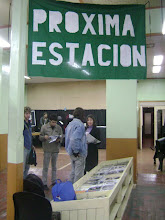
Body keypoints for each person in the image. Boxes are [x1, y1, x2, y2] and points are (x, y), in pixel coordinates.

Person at [39, 114, 63, 190]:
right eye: (53, 122)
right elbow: (40, 137)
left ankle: (53, 181)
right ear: (49, 121)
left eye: (55, 122)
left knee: (54, 167)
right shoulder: (44, 127)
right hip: (47, 150)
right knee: (45, 167)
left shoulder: (58, 128)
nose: (54, 124)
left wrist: (59, 140)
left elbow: (61, 137)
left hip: (55, 149)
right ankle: (44, 183)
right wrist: (44, 137)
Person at [65, 107, 87, 183]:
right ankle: (77, 193)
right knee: (78, 175)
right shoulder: (80, 125)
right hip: (78, 154)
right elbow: (74, 139)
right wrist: (76, 151)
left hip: (71, 152)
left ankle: (70, 190)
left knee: (73, 172)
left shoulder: (70, 124)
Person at [23, 106, 33, 179]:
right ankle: (21, 182)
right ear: (23, 114)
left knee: (27, 166)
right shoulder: (21, 123)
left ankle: (25, 180)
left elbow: (29, 135)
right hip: (24, 148)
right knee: (23, 167)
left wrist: (32, 145)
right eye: (26, 113)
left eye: (29, 113)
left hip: (29, 147)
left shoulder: (29, 123)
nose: (28, 115)